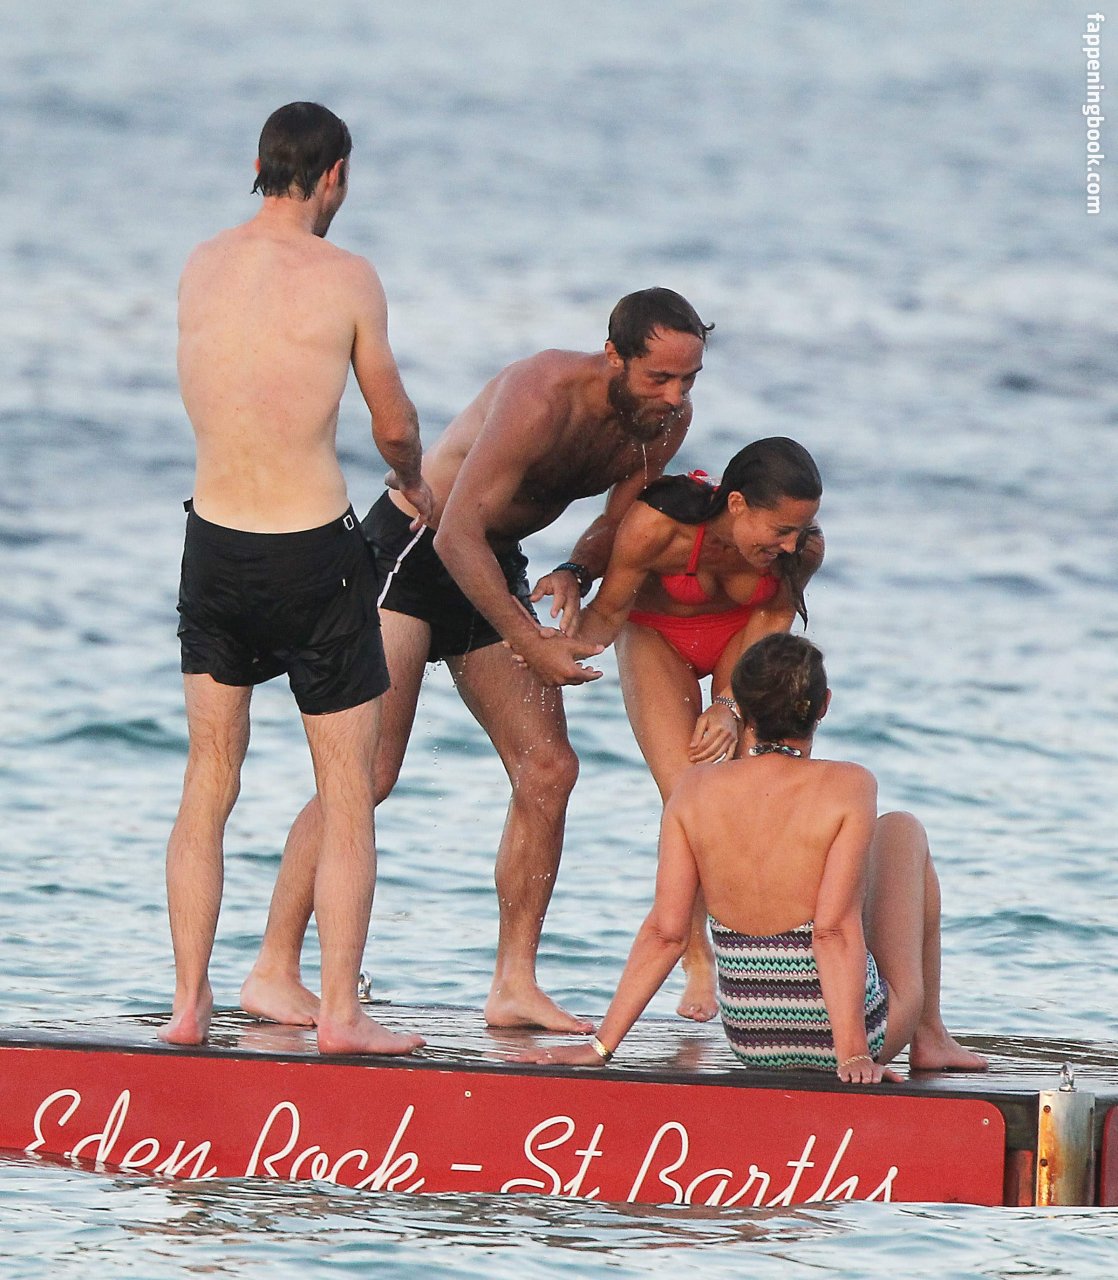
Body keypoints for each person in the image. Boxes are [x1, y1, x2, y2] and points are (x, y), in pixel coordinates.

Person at [241, 288, 713, 1034]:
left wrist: (577, 570)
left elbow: (619, 518)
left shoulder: (663, 422)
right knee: (367, 772)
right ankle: (273, 968)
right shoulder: (540, 395)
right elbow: (455, 531)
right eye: (660, 377)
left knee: (548, 770)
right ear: (614, 356)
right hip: (412, 553)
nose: (676, 396)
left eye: (688, 379)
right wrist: (530, 641)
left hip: (493, 563)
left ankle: (513, 983)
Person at [165, 102, 433, 1056]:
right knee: (347, 788)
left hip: (214, 546)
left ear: (259, 164)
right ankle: (340, 1014)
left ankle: (189, 1004)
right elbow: (393, 424)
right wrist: (412, 479)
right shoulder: (348, 276)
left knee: (209, 777)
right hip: (313, 554)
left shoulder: (201, 262)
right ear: (335, 177)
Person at [519, 633, 988, 1082]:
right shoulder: (850, 784)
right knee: (901, 829)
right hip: (855, 1035)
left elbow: (666, 933)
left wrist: (601, 1047)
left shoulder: (693, 789)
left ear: (739, 708)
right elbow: (831, 931)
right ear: (823, 705)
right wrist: (853, 1054)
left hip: (753, 1039)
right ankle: (930, 1035)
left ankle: (924, 1036)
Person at [571, 438, 824, 1022]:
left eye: (801, 529)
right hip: (654, 634)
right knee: (686, 794)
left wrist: (731, 703)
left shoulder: (802, 550)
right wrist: (549, 647)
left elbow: (773, 618)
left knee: (754, 788)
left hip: (742, 638)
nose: (792, 544)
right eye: (781, 530)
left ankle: (769, 957)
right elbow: (607, 612)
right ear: (737, 504)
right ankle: (696, 957)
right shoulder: (657, 526)